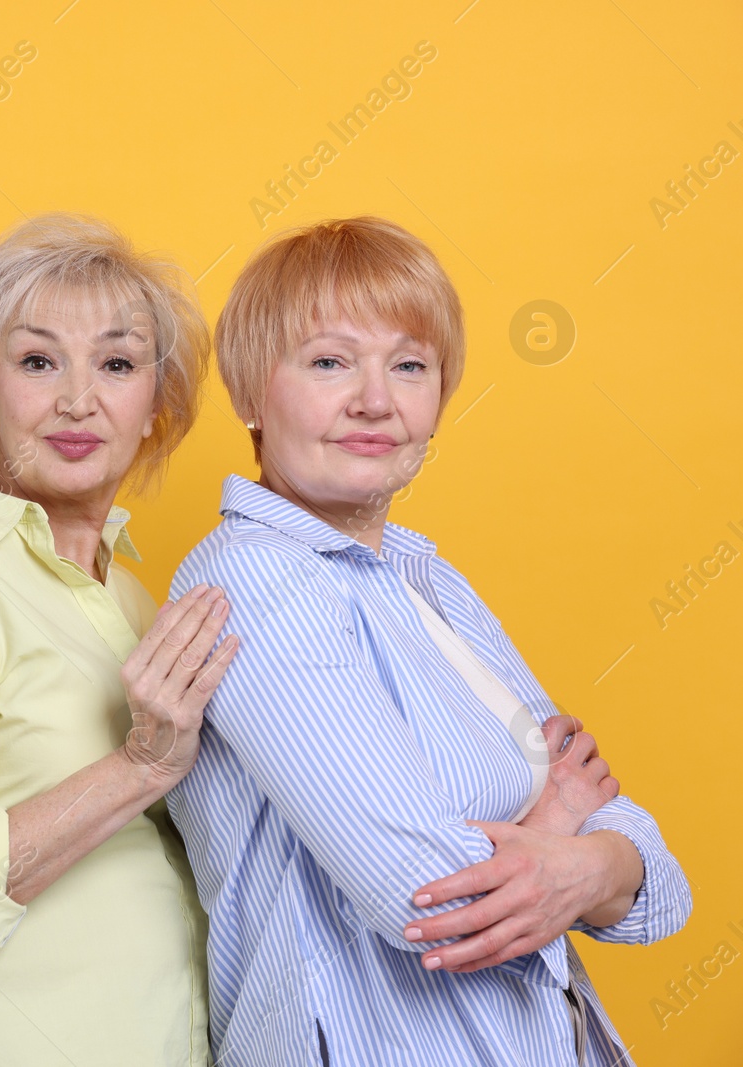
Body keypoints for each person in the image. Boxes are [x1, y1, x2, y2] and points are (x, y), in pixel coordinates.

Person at [167, 215, 692, 1066]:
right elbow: (424, 896)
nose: (376, 400)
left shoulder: (427, 581)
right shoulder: (255, 580)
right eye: (330, 361)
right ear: (249, 394)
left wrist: (591, 864)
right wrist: (561, 820)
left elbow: (662, 888)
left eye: (409, 365)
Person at [0, 214, 238, 1067]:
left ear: (156, 404)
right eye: (36, 360)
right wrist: (138, 768)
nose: (77, 399)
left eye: (118, 363)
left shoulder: (135, 599)